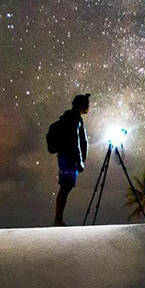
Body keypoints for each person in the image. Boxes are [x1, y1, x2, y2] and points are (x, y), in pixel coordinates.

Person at [53, 93, 90, 226]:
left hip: (66, 157)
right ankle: (58, 220)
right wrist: (80, 161)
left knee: (65, 188)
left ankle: (58, 219)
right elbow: (75, 141)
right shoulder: (74, 119)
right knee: (65, 188)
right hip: (69, 158)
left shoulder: (71, 117)